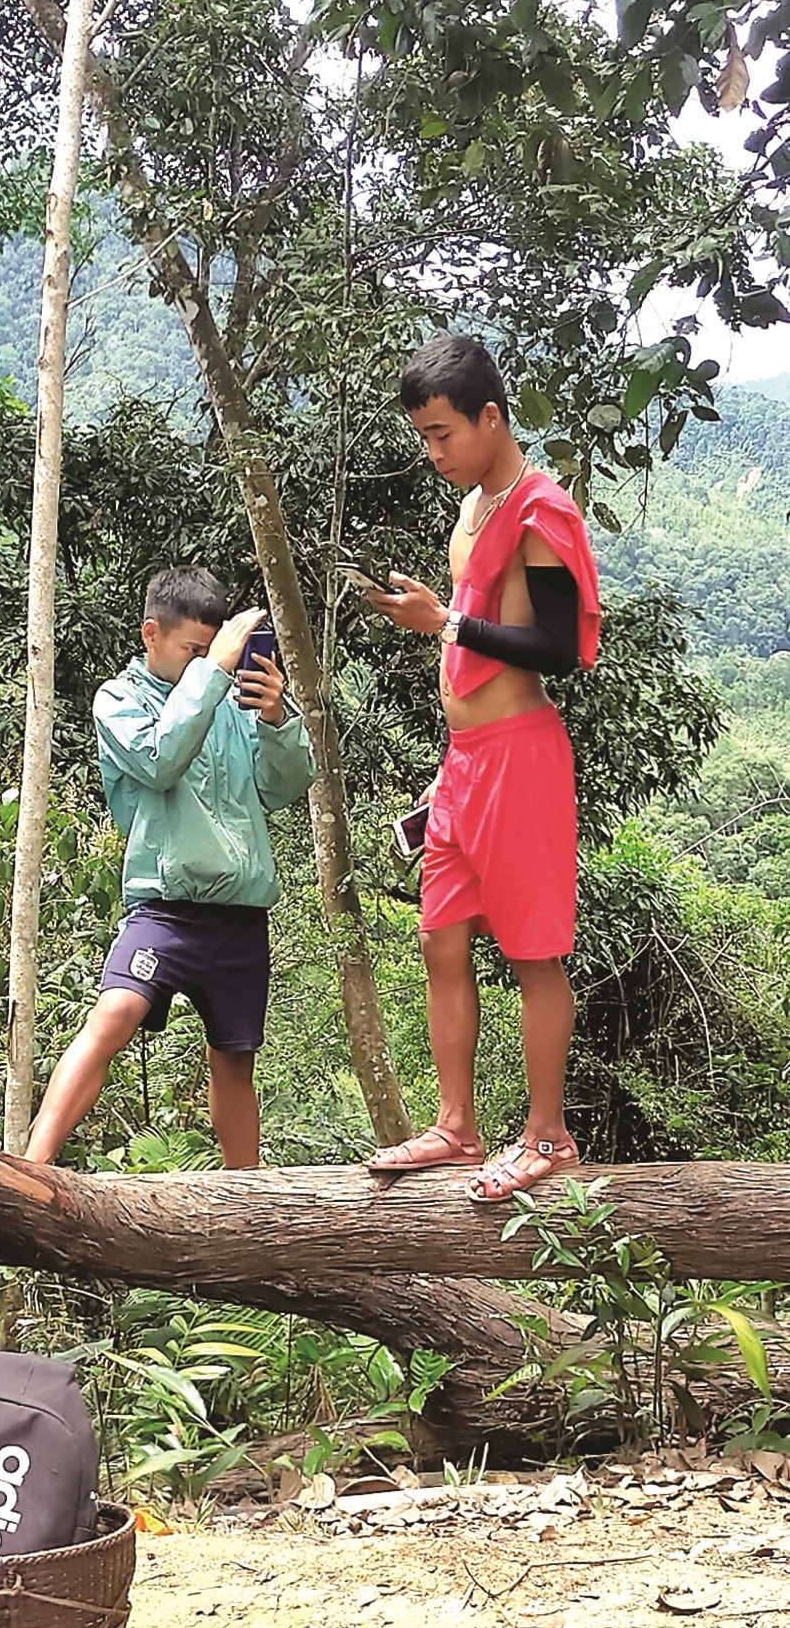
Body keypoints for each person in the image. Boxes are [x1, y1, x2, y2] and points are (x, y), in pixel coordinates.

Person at [363, 334, 601, 1201]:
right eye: (424, 437)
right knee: (439, 937)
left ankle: (546, 1137)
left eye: (442, 434)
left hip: (522, 762)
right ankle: (457, 1128)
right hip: (463, 764)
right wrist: (445, 762)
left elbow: (555, 649)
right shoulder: (473, 508)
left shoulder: (543, 509)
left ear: (490, 417)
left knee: (534, 954)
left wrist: (444, 626)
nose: (433, 454)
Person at [23, 567, 314, 1168]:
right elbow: (159, 760)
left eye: (213, 650)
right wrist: (211, 678)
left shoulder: (229, 700)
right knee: (114, 1015)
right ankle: (32, 1167)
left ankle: (247, 1199)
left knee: (234, 1058)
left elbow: (281, 788)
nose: (208, 661)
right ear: (151, 634)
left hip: (239, 913)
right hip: (166, 906)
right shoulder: (119, 700)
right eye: (194, 651)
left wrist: (277, 722)